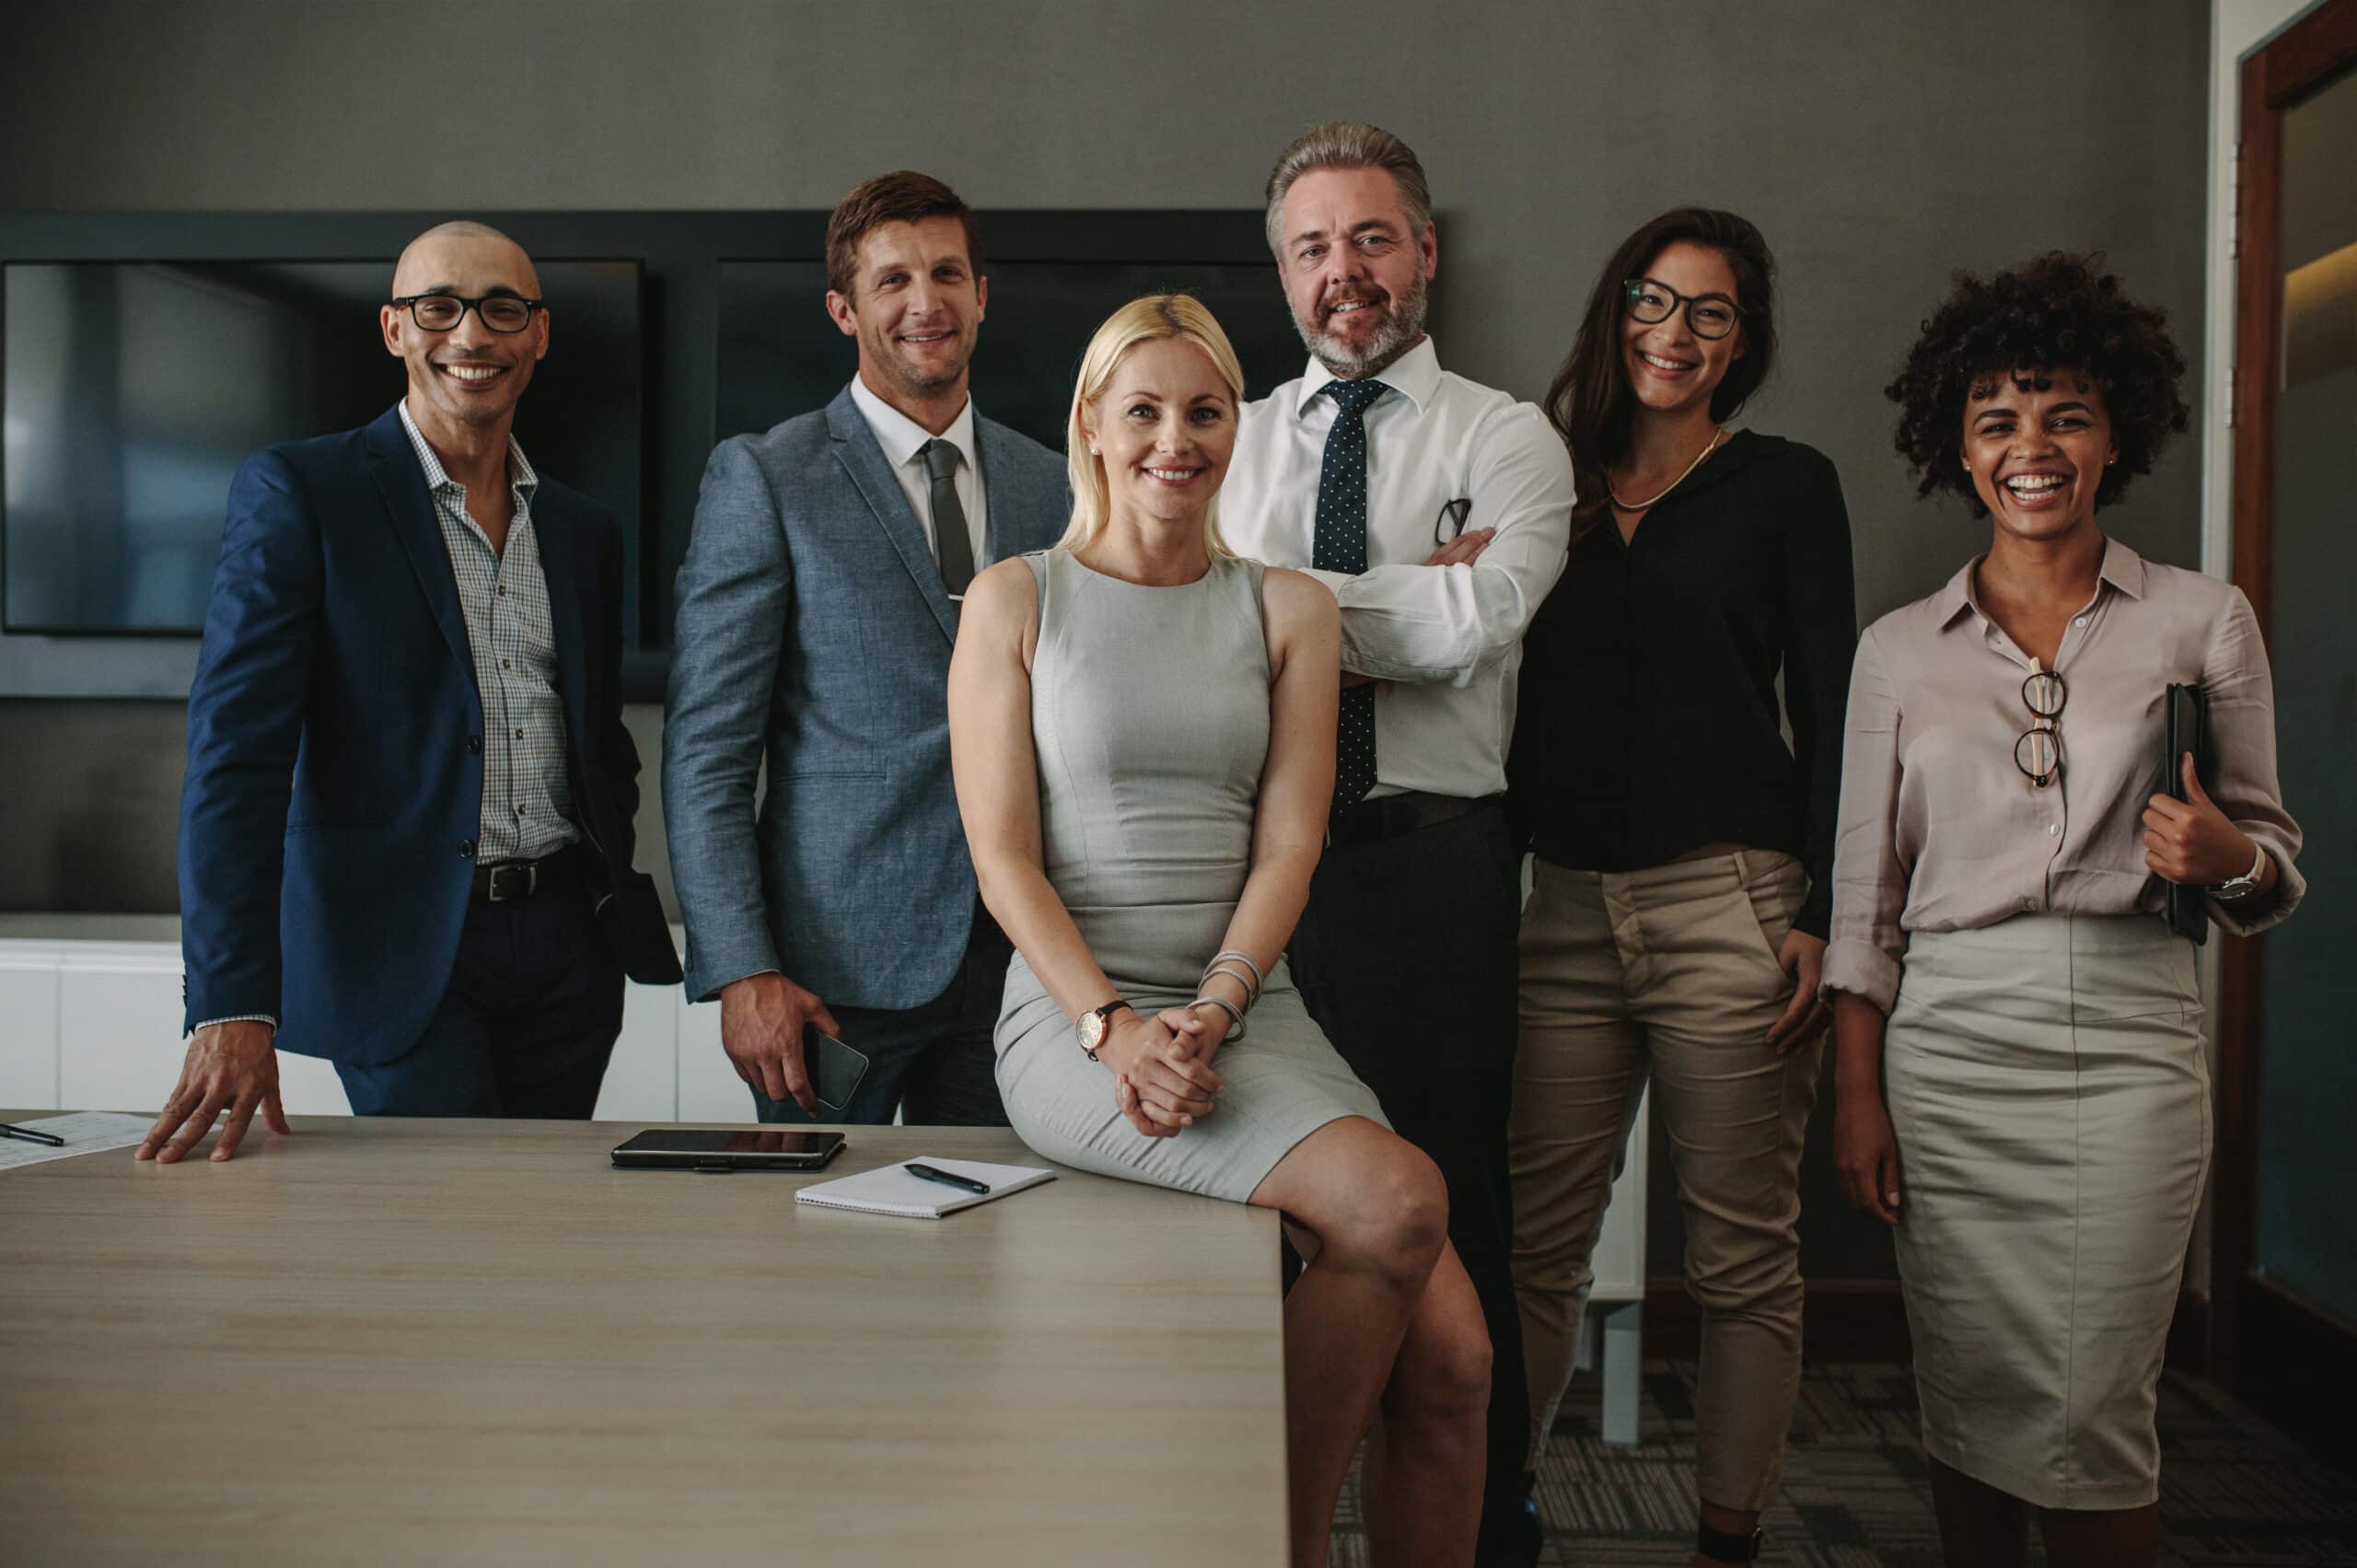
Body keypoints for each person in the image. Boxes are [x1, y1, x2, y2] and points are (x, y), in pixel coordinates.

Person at [953, 292, 1491, 1568]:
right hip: (1073, 1020)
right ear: (1091, 424)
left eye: (1203, 411)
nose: (1174, 438)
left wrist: (1217, 1004)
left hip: (1250, 1006)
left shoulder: (1290, 608)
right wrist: (1116, 1027)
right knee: (1402, 1195)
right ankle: (1283, 1543)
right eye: (1142, 409)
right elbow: (1003, 858)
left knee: (1460, 1360)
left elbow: (1290, 842)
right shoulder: (1013, 598)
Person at [1829, 253, 2304, 1567]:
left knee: (2095, 1410)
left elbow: (2275, 861)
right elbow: (1865, 895)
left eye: (2065, 414)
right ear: (1958, 450)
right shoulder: (1898, 649)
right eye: (1997, 419)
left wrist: (2225, 856)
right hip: (1948, 1045)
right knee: (1968, 1388)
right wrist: (1858, 1088)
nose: (2031, 447)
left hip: (2133, 1043)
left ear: (2115, 435)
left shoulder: (2201, 619)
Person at [1220, 121, 1573, 1567]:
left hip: (1436, 874)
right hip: (1258, 887)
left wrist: (1278, 611)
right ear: (1282, 274)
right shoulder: (1220, 438)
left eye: (1371, 238)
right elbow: (1183, 636)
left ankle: (1478, 1539)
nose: (1343, 272)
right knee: (1258, 1230)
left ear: (1425, 251)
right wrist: (1385, 605)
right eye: (1312, 247)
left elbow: (1476, 622)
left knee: (1453, 1210)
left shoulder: (1507, 435)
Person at [146, 220, 679, 1161]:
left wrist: (599, 898)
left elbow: (597, 741)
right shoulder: (301, 493)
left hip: (567, 953)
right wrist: (231, 999)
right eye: (440, 307)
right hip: (402, 953)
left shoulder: (583, 528)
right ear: (395, 329)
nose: (471, 335)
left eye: (501, 309)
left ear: (538, 334)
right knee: (448, 1235)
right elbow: (237, 762)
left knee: (550, 1224)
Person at [1504, 209, 1855, 1567]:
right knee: (1537, 1248)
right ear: (1616, 309)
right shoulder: (1544, 474)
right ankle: (1497, 1515)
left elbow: (1831, 712)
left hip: (1736, 904)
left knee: (1740, 1256)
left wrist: (1827, 910)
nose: (1677, 331)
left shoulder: (1785, 485)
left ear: (1744, 338)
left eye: (1712, 311)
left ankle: (1727, 1538)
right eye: (1654, 300)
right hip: (1566, 906)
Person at [665, 171, 1067, 1126]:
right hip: (832, 974)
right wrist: (741, 969)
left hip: (1024, 956)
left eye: (945, 273)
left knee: (991, 1245)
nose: (924, 302)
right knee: (815, 1259)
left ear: (980, 295)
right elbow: (708, 754)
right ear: (844, 309)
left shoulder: (1055, 480)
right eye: (892, 281)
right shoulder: (766, 476)